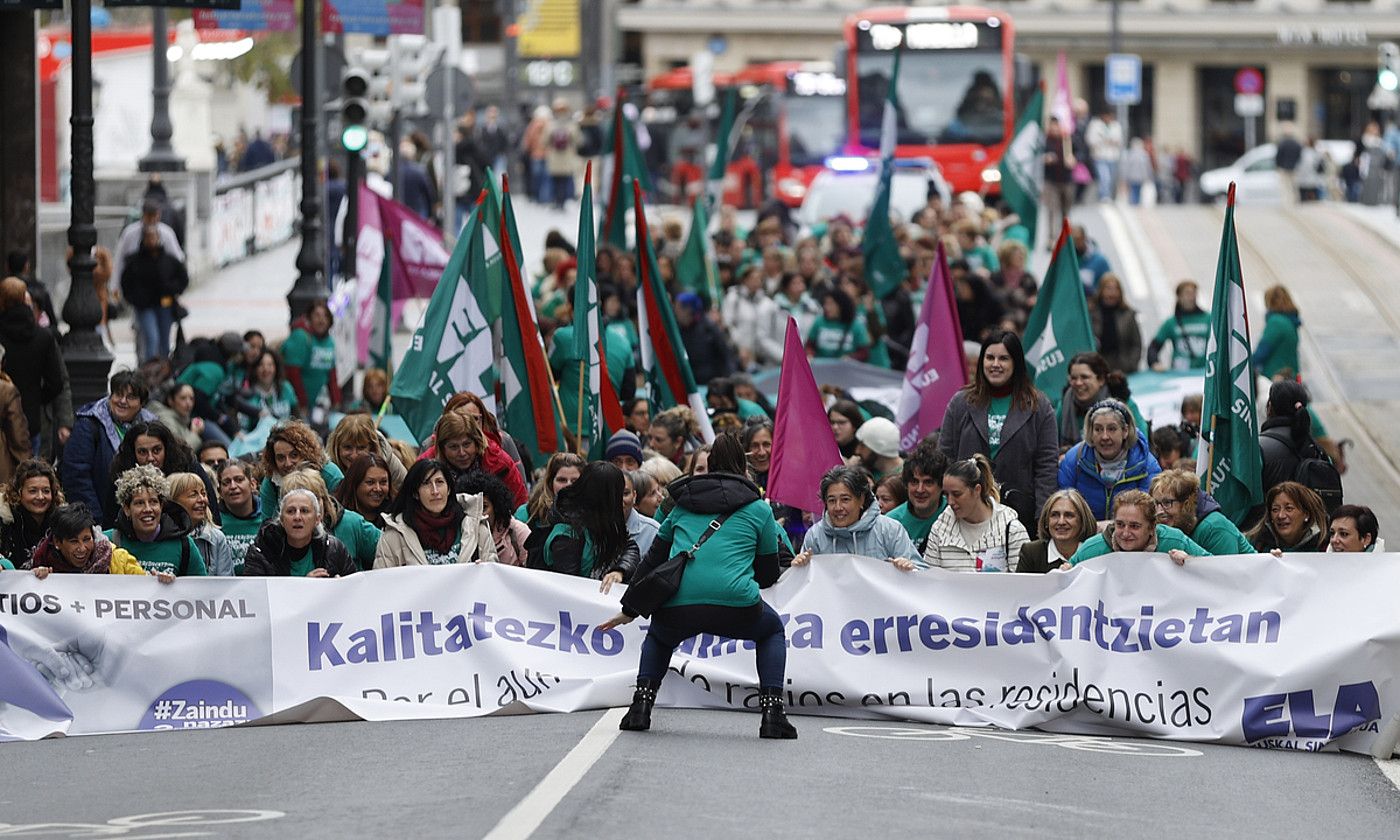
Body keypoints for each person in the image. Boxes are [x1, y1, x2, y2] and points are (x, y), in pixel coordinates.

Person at [599, 434, 796, 738]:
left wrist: (630, 609)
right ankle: (773, 715)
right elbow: (769, 574)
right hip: (736, 601)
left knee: (660, 638)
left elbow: (653, 559)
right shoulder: (760, 510)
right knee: (771, 631)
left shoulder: (681, 505)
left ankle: (640, 707)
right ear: (743, 469)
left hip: (679, 603)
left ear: (712, 465)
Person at [938, 332, 1058, 531]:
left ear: (1016, 363)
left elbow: (1046, 466)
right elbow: (945, 457)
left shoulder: (1039, 406)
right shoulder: (960, 402)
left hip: (1020, 516)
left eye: (1003, 358)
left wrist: (1042, 517)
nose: (995, 364)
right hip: (966, 514)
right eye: (990, 357)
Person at [63, 373, 156, 524]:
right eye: (118, 394)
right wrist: (94, 520)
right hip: (102, 519)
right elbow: (76, 475)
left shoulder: (152, 426)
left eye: (131, 397)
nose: (122, 401)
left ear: (141, 403)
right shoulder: (88, 424)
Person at [524, 461, 639, 581]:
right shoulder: (568, 534)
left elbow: (629, 546)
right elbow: (568, 586)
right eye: (618, 493)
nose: (620, 499)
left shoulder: (606, 522)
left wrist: (619, 571)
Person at [374, 460, 497, 567]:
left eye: (439, 482)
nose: (435, 491)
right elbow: (384, 586)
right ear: (415, 493)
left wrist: (483, 571)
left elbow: (492, 580)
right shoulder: (394, 536)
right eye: (426, 483)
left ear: (449, 489)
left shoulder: (477, 528)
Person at [795, 466, 919, 568]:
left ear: (861, 500)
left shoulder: (889, 530)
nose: (838, 507)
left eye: (845, 499)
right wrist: (800, 568)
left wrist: (908, 568)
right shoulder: (815, 535)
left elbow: (921, 573)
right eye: (832, 500)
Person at [1058, 399, 1161, 521]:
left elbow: (1149, 513)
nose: (1105, 436)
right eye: (1098, 429)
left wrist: (1111, 526)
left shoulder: (1147, 465)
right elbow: (1063, 506)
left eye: (1112, 429)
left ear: (1125, 431)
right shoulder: (1074, 459)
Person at [923, 455, 1029, 572]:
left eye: (957, 494)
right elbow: (930, 581)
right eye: (946, 495)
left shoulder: (1012, 529)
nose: (950, 502)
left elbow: (1023, 584)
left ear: (977, 490)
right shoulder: (939, 529)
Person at [104, 465, 207, 576]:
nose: (148, 509)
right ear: (127, 509)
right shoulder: (108, 542)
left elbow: (202, 588)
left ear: (161, 506)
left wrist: (170, 587)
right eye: (139, 503)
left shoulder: (183, 545)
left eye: (153, 502)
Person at [1256, 380, 1340, 516]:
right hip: (1313, 535)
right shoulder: (1319, 452)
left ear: (1270, 407)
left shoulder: (1259, 449)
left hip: (1266, 534)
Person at [0, 277, 63, 456]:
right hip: (30, 417)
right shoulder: (43, 337)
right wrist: (37, 397)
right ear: (24, 298)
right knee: (25, 474)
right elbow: (56, 382)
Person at [1069, 490, 1207, 565]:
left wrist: (1191, 562)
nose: (1125, 533)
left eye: (1135, 526)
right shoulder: (1093, 549)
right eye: (1120, 524)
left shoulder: (1175, 541)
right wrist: (1064, 572)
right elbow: (1065, 579)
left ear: (1152, 526)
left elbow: (1214, 568)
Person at [241, 488, 357, 577]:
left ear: (317, 519)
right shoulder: (261, 551)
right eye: (291, 511)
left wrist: (341, 587)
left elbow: (354, 590)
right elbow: (256, 598)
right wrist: (302, 587)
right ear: (281, 519)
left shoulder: (334, 549)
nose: (297, 517)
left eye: (304, 511)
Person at [281, 468, 381, 571]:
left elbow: (389, 550)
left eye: (314, 499)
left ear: (324, 499)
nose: (299, 515)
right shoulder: (272, 541)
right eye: (292, 509)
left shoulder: (351, 523)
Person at [121, 225, 188, 363]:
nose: (151, 241)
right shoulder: (135, 261)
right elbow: (126, 282)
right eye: (148, 237)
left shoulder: (169, 260)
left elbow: (183, 278)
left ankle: (163, 369)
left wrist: (172, 289)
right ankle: (150, 369)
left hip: (165, 305)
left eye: (154, 237)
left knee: (164, 340)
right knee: (151, 337)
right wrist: (135, 298)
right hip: (144, 306)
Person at [1149, 470, 1254, 556]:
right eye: (1156, 503)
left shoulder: (1215, 527)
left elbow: (1225, 573)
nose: (1159, 511)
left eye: (1167, 503)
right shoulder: (1172, 527)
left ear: (1187, 503)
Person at [258, 420, 344, 521]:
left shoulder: (330, 474)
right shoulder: (271, 483)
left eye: (294, 455)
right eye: (281, 458)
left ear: (306, 453)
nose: (288, 463)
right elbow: (267, 526)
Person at [886, 442, 948, 555]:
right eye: (914, 482)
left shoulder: (955, 514)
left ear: (942, 485)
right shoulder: (891, 522)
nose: (920, 489)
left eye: (928, 482)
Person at [167, 472, 235, 576]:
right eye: (193, 495)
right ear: (173, 501)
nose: (202, 500)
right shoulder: (163, 538)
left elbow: (225, 584)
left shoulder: (217, 538)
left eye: (203, 493)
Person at [456, 471, 530, 566]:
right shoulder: (458, 535)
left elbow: (531, 572)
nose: (479, 515)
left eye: (484, 507)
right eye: (472, 509)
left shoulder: (518, 531)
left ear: (496, 507)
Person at [0, 460, 63, 571]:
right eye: (33, 491)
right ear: (19, 492)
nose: (40, 497)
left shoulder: (62, 522)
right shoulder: (4, 520)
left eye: (46, 491)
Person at [1017, 489, 1097, 572]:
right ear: (1046, 521)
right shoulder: (1031, 552)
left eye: (1069, 515)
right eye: (1054, 515)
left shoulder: (1094, 552)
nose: (1061, 522)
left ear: (1082, 521)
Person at [24, 503, 115, 576]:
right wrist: (35, 579)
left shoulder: (115, 560)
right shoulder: (42, 561)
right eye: (74, 541)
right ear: (57, 542)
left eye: (87, 539)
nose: (82, 548)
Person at [282, 302, 340, 416]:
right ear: (309, 318)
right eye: (317, 315)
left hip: (318, 404)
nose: (321, 320)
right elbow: (292, 373)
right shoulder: (301, 337)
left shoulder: (330, 342)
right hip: (296, 403)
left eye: (325, 316)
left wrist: (336, 401)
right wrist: (301, 403)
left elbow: (331, 375)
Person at [724, 264, 784, 370]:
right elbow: (728, 325)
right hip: (739, 353)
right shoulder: (733, 298)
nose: (756, 282)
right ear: (744, 280)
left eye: (759, 279)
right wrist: (739, 347)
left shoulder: (767, 303)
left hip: (760, 356)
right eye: (752, 278)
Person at [325, 414, 408, 489]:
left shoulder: (388, 461)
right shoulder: (327, 471)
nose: (354, 455)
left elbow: (408, 491)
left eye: (361, 448)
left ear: (372, 447)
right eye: (347, 447)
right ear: (336, 448)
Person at [1246, 482, 1330, 554]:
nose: (1281, 515)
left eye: (1289, 508)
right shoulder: (1256, 544)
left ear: (1306, 514)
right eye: (1275, 510)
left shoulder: (1324, 547)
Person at [1147, 281, 1210, 371]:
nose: (1191, 297)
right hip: (1179, 372)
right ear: (1179, 297)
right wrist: (1155, 363)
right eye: (1187, 293)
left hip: (1203, 371)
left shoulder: (1208, 319)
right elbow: (1154, 346)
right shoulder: (1171, 322)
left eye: (1194, 293)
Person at [1090, 275, 1143, 374]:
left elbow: (1136, 344)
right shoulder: (1091, 313)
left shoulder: (1128, 315)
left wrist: (1131, 364)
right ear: (1101, 291)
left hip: (1123, 368)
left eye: (1116, 289)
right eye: (1108, 288)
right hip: (1099, 368)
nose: (1112, 293)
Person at [518, 452, 584, 529]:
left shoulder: (592, 516)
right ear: (550, 482)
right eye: (562, 480)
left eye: (574, 481)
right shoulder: (527, 513)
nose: (568, 485)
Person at [217, 460, 263, 567]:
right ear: (220, 491)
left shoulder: (268, 517)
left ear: (252, 484)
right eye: (226, 482)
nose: (233, 486)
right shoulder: (214, 521)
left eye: (239, 480)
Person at [1253, 285, 1303, 381]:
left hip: (1276, 378)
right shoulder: (1291, 322)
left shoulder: (1276, 322)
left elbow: (1263, 350)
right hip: (1292, 376)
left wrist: (1246, 365)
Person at [333, 453, 396, 528]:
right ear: (354, 484)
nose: (378, 488)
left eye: (383, 482)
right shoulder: (336, 517)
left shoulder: (396, 516)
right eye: (370, 482)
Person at [806, 289, 871, 361]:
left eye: (830, 304)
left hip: (846, 368)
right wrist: (810, 354)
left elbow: (864, 352)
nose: (826, 307)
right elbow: (809, 345)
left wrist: (851, 358)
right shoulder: (819, 321)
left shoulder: (856, 325)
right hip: (821, 367)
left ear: (841, 305)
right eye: (825, 304)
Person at [1085, 109, 1124, 202]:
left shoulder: (1116, 125)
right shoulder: (1095, 125)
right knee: (1104, 177)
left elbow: (1120, 140)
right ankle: (1104, 195)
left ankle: (1110, 195)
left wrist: (1112, 141)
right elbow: (1090, 140)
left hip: (1113, 156)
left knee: (1111, 178)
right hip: (1100, 156)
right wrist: (1102, 141)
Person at [622, 469, 661, 556]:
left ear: (634, 496)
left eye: (625, 493)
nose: (660, 497)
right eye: (652, 494)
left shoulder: (654, 531)